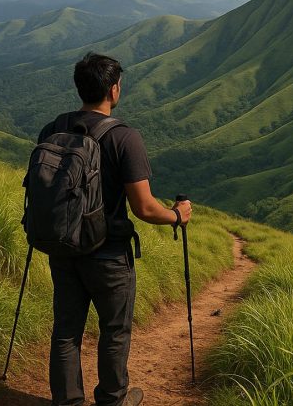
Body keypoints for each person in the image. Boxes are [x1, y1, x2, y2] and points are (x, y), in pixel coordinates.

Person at [37, 51, 192, 406]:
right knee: (114, 331)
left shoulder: (53, 128)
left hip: (61, 245)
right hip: (107, 253)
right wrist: (178, 216)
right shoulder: (124, 137)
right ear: (114, 89)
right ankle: (112, 399)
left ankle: (67, 401)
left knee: (65, 332)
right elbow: (144, 207)